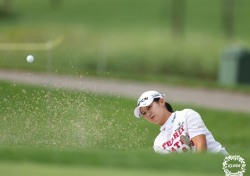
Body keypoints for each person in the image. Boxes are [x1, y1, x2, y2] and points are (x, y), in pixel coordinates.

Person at [134, 90, 228, 155]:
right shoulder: (158, 144)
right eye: (144, 113)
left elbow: (201, 147)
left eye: (149, 107)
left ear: (162, 102)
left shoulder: (187, 115)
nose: (148, 114)